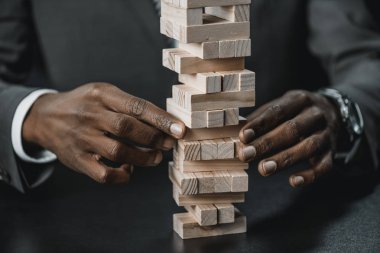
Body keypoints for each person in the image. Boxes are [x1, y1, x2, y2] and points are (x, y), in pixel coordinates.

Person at [0, 0, 379, 192]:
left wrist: (341, 108)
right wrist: (31, 116)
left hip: (279, 197)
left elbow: (365, 60)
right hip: (84, 209)